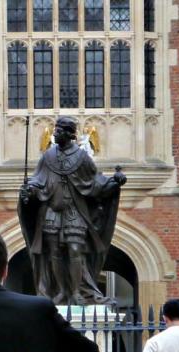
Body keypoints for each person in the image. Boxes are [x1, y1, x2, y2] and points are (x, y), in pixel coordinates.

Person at [17, 115, 126, 304]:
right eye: (55, 130)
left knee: (75, 249)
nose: (55, 134)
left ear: (69, 134)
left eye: (58, 131)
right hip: (51, 210)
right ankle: (60, 291)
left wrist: (114, 182)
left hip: (74, 210)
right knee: (53, 251)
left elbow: (94, 182)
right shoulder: (48, 156)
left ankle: (76, 292)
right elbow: (38, 180)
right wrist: (30, 189)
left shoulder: (82, 157)